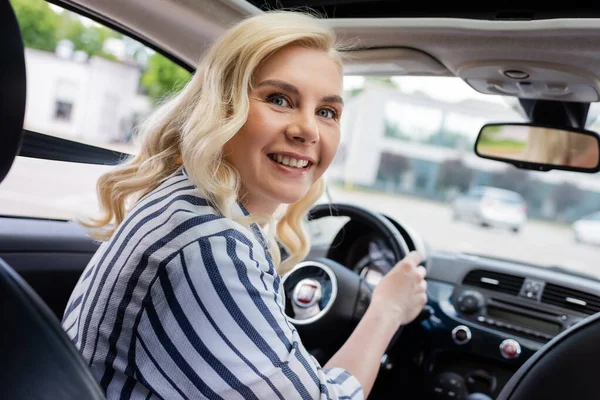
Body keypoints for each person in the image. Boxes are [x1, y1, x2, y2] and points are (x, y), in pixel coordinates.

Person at [61, 10, 427, 400]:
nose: (307, 130)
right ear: (222, 108)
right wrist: (386, 309)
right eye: (279, 99)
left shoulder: (187, 204)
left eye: (326, 112)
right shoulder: (209, 246)